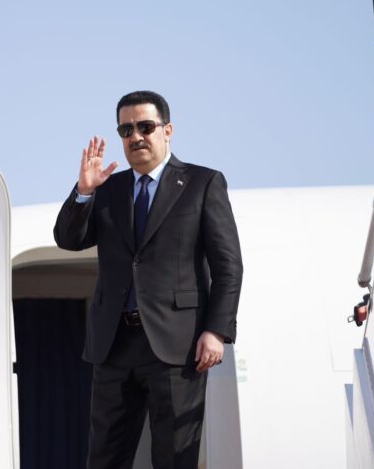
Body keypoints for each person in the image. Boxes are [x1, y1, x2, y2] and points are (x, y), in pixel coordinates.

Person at [53, 90, 243, 468]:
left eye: (145, 127)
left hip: (177, 347)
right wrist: (84, 191)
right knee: (104, 458)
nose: (135, 136)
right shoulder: (108, 190)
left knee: (173, 457)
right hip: (114, 344)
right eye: (126, 130)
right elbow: (69, 239)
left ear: (167, 130)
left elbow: (228, 266)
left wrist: (216, 330)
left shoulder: (203, 183)